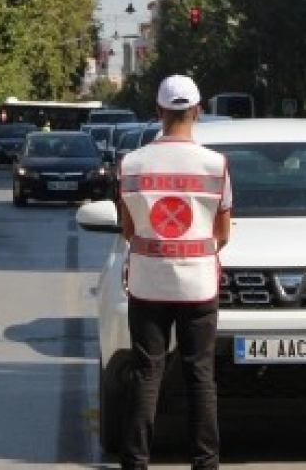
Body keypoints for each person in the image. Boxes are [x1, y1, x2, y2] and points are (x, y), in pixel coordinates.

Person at [117, 74, 233, 470]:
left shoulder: (131, 164)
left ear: (158, 112)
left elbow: (128, 229)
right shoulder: (216, 165)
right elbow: (223, 232)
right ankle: (206, 462)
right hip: (198, 286)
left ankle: (135, 462)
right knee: (200, 376)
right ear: (197, 112)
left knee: (146, 373)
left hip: (148, 284)